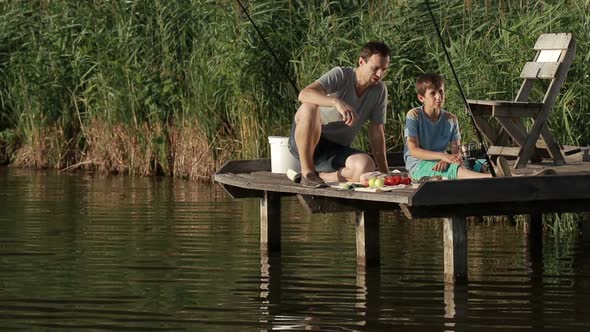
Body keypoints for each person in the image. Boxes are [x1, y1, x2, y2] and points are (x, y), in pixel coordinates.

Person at [288, 41, 391, 188]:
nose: (380, 74)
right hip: (309, 141)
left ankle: (322, 176)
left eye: (384, 69)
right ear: (361, 61)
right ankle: (307, 173)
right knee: (308, 107)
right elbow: (304, 94)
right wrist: (335, 102)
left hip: (336, 150)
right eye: (375, 68)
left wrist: (384, 172)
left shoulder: (380, 90)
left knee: (366, 165)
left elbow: (376, 131)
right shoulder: (341, 75)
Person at [403, 73, 510, 180]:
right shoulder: (414, 115)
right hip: (418, 165)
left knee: (485, 163)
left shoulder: (451, 119)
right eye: (432, 93)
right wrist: (444, 156)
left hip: (443, 160)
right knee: (454, 168)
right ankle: (494, 178)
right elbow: (413, 150)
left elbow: (456, 151)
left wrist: (446, 159)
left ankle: (498, 173)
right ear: (421, 98)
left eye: (441, 92)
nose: (438, 97)